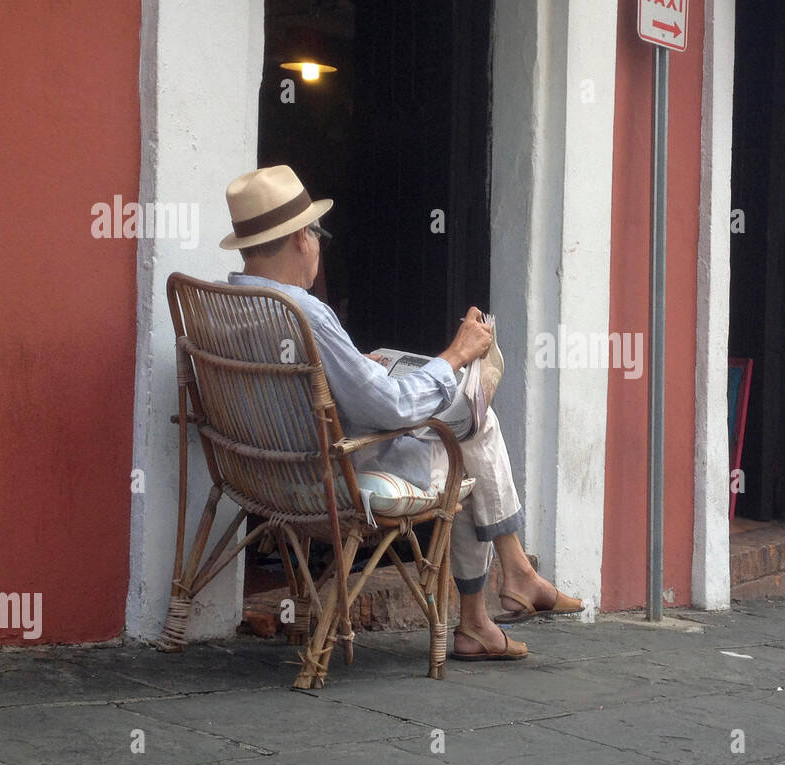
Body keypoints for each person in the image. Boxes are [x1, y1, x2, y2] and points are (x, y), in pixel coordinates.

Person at [219, 165, 583, 660]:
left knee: (468, 425)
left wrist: (352, 367)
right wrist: (454, 356)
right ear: (303, 238)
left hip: (259, 473)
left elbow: (299, 390)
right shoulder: (303, 311)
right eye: (317, 232)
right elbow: (388, 408)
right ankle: (497, 594)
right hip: (332, 475)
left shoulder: (223, 303)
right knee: (474, 427)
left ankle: (494, 602)